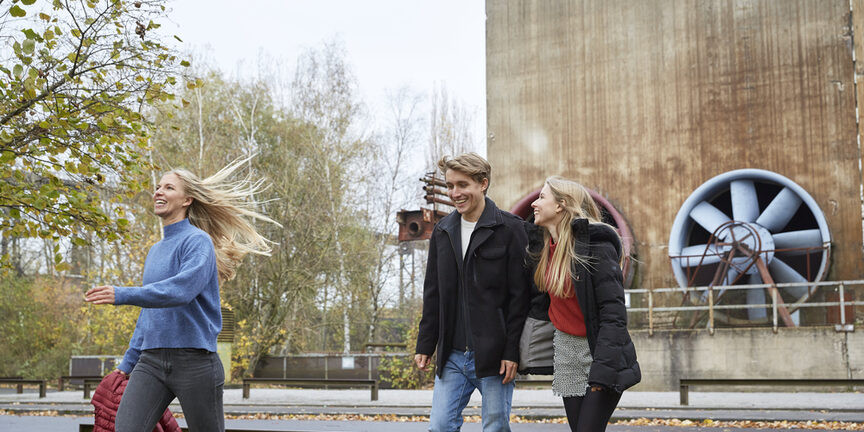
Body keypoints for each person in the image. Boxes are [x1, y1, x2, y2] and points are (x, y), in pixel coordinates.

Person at [85, 158, 278, 432]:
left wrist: (121, 294)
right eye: (158, 187)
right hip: (150, 361)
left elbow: (180, 291)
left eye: (168, 187)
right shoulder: (154, 251)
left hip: (195, 362)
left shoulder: (198, 242)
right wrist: (127, 363)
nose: (159, 192)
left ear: (187, 199)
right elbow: (150, 310)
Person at [414, 152, 530, 432]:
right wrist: (425, 344)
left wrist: (511, 350)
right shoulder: (443, 231)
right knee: (440, 426)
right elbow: (433, 294)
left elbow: (521, 298)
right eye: (450, 186)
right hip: (452, 354)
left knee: (495, 427)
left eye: (462, 185)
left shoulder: (511, 229)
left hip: (494, 355)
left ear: (483, 183)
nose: (455, 193)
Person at [528, 176, 641, 431]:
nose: (534, 203)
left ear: (561, 205)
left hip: (598, 353)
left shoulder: (596, 246)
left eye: (542, 197)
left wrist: (601, 372)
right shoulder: (548, 247)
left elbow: (613, 315)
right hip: (567, 351)